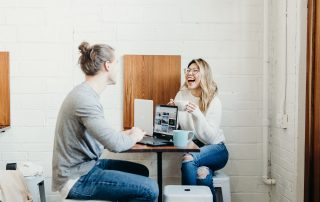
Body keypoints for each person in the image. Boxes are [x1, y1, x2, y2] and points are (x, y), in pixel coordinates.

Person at [52, 42, 159, 201]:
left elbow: (101, 137)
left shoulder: (86, 94)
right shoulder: (84, 99)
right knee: (151, 189)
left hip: (87, 167)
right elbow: (115, 145)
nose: (118, 68)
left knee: (141, 170)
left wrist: (124, 134)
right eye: (116, 63)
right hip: (76, 178)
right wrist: (134, 136)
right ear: (107, 65)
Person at [169, 58, 228, 202]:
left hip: (216, 149)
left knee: (188, 160)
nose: (190, 73)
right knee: (203, 174)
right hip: (195, 147)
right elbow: (179, 128)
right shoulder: (181, 95)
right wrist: (170, 113)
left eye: (196, 70)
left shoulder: (213, 100)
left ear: (204, 75)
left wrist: (197, 113)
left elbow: (209, 138)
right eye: (188, 70)